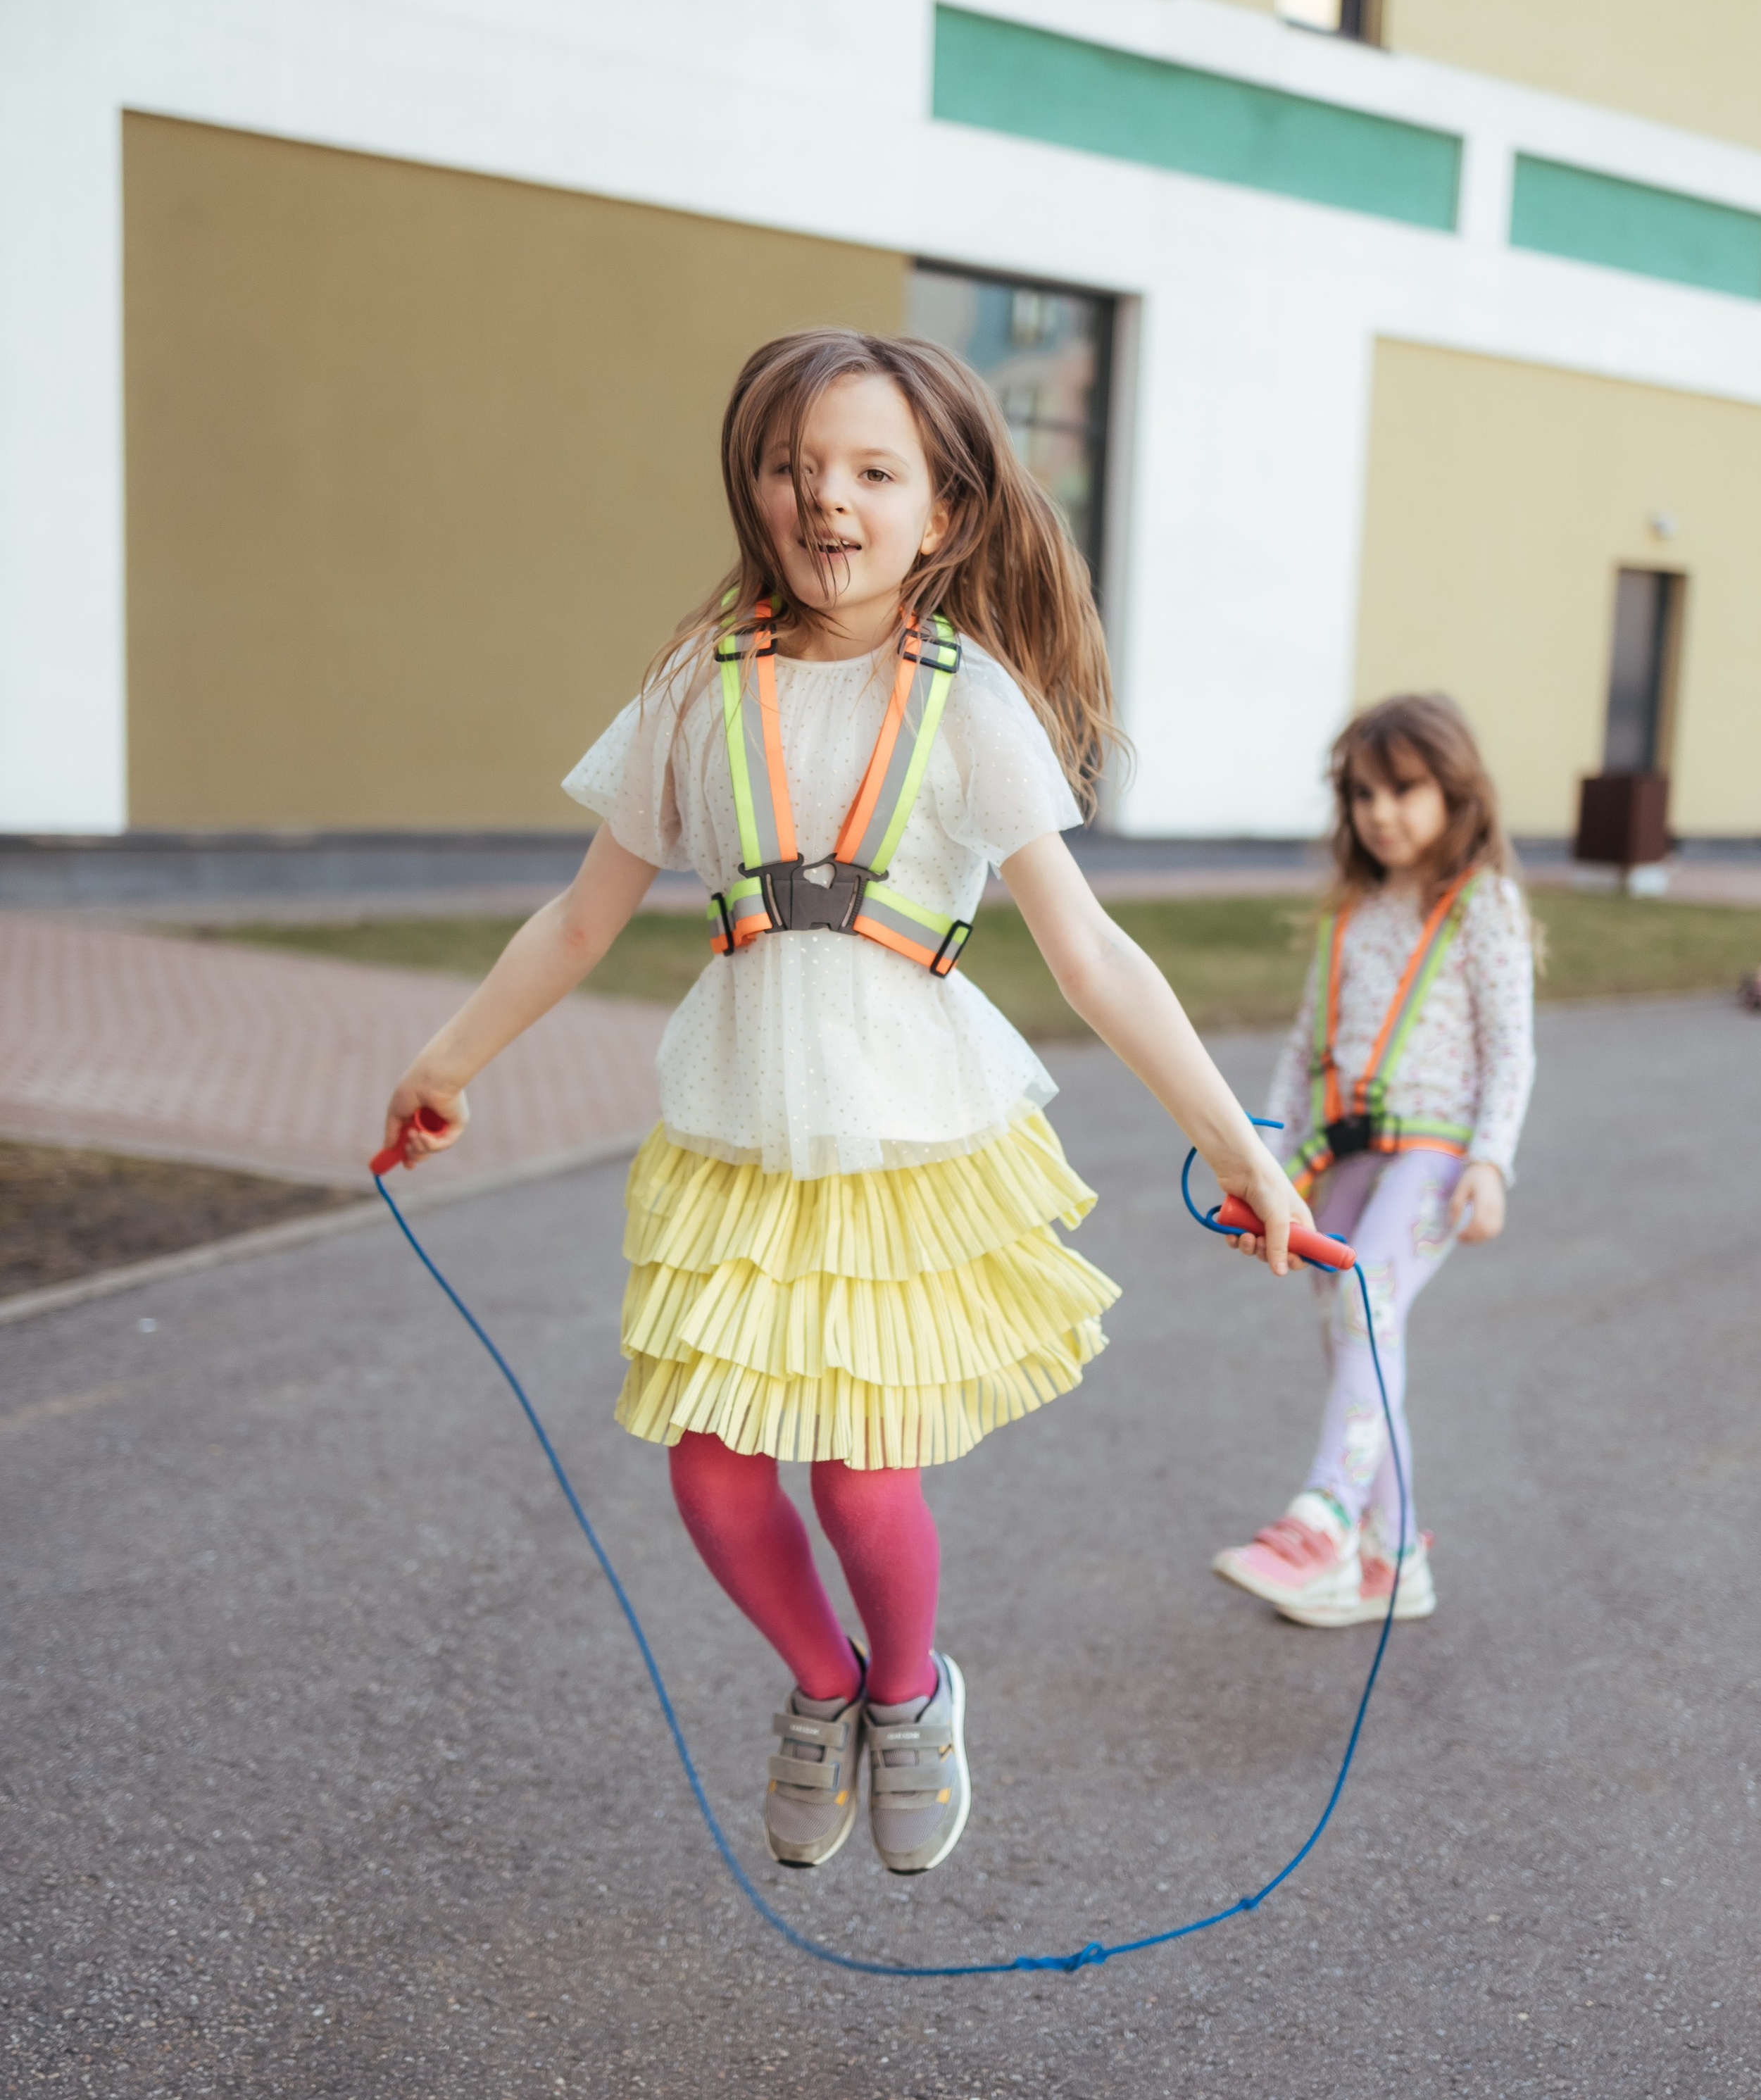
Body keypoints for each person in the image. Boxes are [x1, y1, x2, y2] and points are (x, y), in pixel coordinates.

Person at [380, 327, 1307, 1877]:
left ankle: (909, 1690)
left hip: (898, 1131)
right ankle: (821, 1687)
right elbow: (582, 917)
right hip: (740, 1127)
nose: (826, 501)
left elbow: (1091, 956)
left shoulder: (969, 702)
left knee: (859, 1471)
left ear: (939, 512)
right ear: (752, 490)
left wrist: (1235, 1148)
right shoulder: (696, 683)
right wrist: (446, 1062)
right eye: (792, 467)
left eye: (871, 472)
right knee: (708, 1466)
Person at [1213, 694, 1535, 1631]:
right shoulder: (1353, 910)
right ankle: (1394, 1561)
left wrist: (1494, 1164)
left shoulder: (1483, 905)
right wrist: (1266, 1163)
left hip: (1436, 1158)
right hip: (1344, 1151)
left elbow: (1512, 1049)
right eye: (1362, 793)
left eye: (1404, 788)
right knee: (1356, 1333)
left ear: (1456, 792)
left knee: (1367, 1307)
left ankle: (1325, 1520)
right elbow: (1307, 1044)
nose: (1381, 811)